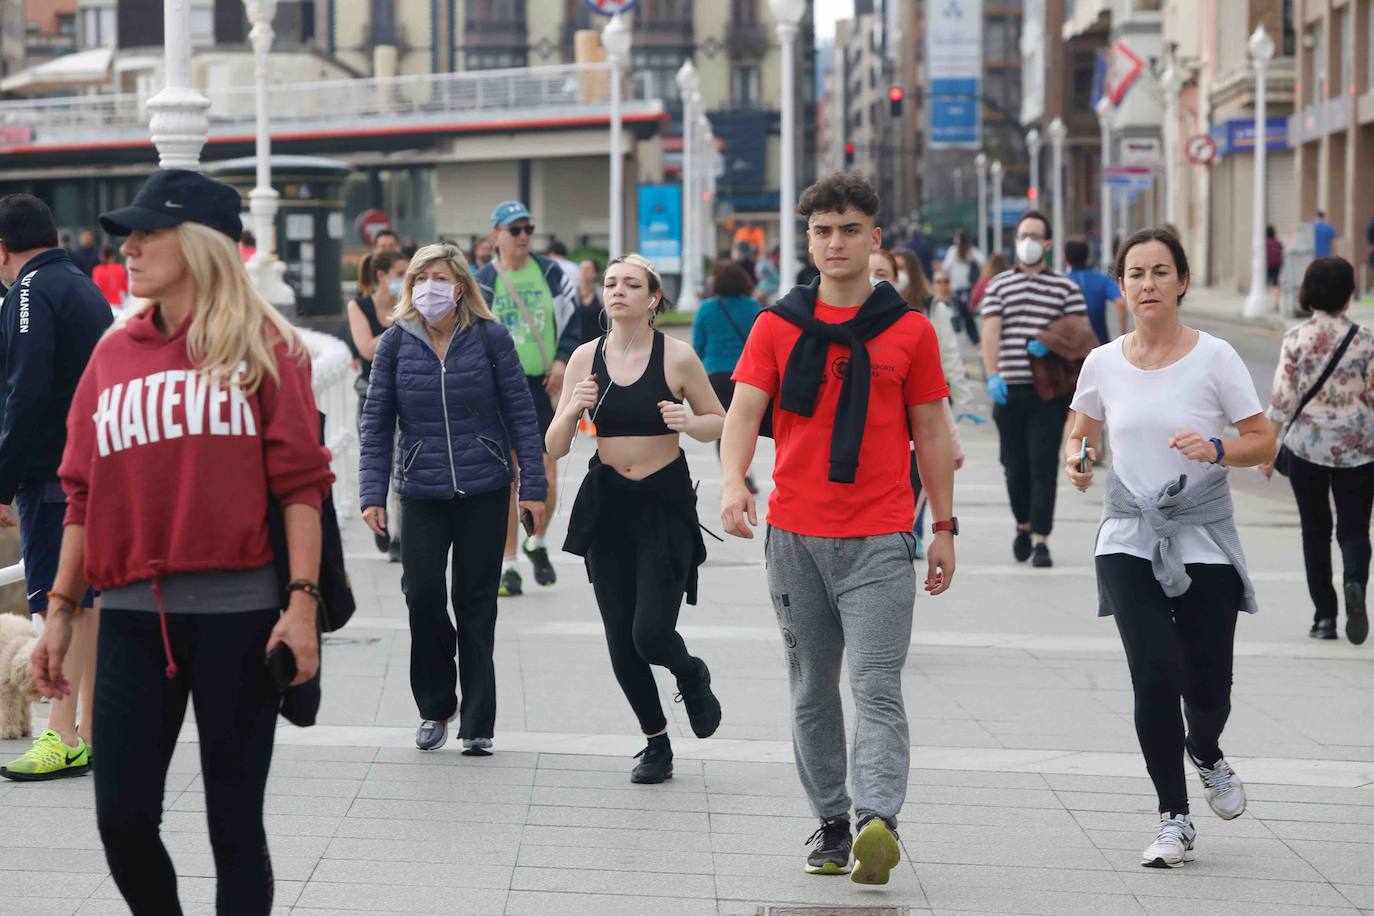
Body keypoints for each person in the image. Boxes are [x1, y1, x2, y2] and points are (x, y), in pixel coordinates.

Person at [32, 168, 333, 912]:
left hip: (243, 613)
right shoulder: (113, 354)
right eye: (126, 235)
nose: (127, 248)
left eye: (146, 232)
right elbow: (82, 492)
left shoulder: (268, 349)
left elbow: (302, 485)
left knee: (233, 824)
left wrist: (302, 606)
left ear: (198, 246)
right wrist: (62, 610)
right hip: (132, 614)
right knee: (123, 819)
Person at [720, 172, 957, 885]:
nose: (835, 242)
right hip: (792, 535)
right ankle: (831, 820)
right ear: (808, 239)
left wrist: (943, 525)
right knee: (811, 688)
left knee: (877, 684)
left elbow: (932, 434)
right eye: (822, 230)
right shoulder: (776, 325)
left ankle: (876, 818)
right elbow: (743, 414)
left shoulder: (909, 333)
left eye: (850, 229)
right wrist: (733, 480)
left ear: (874, 238)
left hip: (882, 538)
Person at [1065, 227, 1273, 869]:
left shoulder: (1216, 357)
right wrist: (1078, 459)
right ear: (1121, 284)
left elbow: (1262, 442)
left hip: (1203, 535)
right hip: (1128, 536)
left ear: (1181, 281)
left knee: (1209, 685)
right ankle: (1173, 817)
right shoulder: (1102, 361)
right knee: (1156, 672)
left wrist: (1215, 449)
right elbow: (1082, 428)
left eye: (1160, 272)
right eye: (1136, 273)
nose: (1147, 284)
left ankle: (1205, 750)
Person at [361, 243, 546, 755]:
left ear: (459, 286)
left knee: (475, 601)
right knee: (422, 595)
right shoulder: (395, 344)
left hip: (484, 488)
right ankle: (436, 705)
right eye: (420, 278)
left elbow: (522, 417)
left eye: (438, 277)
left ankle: (479, 720)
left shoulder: (489, 338)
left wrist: (534, 487)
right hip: (420, 491)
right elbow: (376, 423)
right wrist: (371, 493)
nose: (428, 287)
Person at [548, 253, 726, 784]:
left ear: (652, 298)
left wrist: (688, 422)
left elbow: (718, 421)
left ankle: (691, 673)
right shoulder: (584, 358)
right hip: (608, 506)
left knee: (650, 632)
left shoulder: (678, 358)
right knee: (620, 639)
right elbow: (554, 447)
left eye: (631, 284)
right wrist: (571, 409)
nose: (618, 290)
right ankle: (655, 743)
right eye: (610, 283)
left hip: (664, 506)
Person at [0, 195, 112, 782]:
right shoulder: (81, 285)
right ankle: (86, 733)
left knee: (55, 604)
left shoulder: (28, 292)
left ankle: (59, 735)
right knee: (85, 603)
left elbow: (26, 391)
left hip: (53, 473)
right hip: (94, 466)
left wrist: (3, 479)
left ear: (2, 249)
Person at [1260, 256, 1374, 643]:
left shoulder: (1295, 339)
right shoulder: (1366, 340)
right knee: (1355, 529)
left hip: (1306, 446)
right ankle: (1355, 583)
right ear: (1349, 296)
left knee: (1315, 531)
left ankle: (1325, 616)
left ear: (1308, 293)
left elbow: (1281, 399)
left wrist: (1265, 448)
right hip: (1358, 447)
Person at [475, 200, 581, 597]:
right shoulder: (483, 280)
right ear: (495, 236)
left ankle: (536, 541)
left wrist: (562, 358)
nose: (523, 237)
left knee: (546, 470)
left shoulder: (552, 273)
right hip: (498, 390)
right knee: (507, 478)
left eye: (528, 229)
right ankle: (508, 564)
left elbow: (573, 319)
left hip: (542, 387)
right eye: (514, 230)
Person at [981, 210, 1088, 569]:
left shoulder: (1065, 287)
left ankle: (1042, 537)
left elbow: (1081, 332)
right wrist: (991, 374)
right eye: (1023, 234)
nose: (1028, 241)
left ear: (1048, 243)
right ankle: (1022, 524)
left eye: (1035, 235)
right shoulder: (999, 286)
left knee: (1043, 463)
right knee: (1014, 465)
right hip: (1009, 390)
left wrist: (1054, 342)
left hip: (1048, 391)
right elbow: (990, 332)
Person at [874, 248, 967, 562]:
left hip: (925, 402)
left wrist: (961, 398)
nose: (877, 279)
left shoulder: (927, 308)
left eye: (888, 272)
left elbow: (949, 352)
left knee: (918, 475)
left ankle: (909, 530)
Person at [693, 260, 762, 493]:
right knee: (746, 426)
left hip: (716, 375)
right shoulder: (753, 306)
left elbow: (698, 346)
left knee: (724, 428)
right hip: (747, 375)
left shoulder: (706, 308)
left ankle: (731, 477)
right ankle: (746, 474)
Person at [1065, 237, 1126, 345]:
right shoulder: (1102, 279)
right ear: (1088, 256)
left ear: (1065, 259)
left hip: (1071, 348)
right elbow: (1120, 303)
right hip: (1100, 345)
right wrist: (1123, 335)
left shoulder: (1063, 283)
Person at [941, 229, 984, 345]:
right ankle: (976, 341)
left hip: (959, 290)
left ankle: (964, 341)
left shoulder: (955, 251)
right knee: (967, 317)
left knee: (960, 317)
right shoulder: (970, 252)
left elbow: (945, 267)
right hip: (965, 290)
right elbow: (982, 262)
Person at [968, 251, 1010, 320]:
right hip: (1006, 313)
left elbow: (975, 296)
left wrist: (972, 307)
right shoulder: (1008, 279)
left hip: (988, 313)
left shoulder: (985, 279)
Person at [575, 257, 604, 345]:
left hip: (599, 344)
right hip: (576, 346)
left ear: (595, 273)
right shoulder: (572, 294)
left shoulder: (601, 294)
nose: (583, 272)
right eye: (581, 269)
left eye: (588, 269)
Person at [91, 244, 129, 310]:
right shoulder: (120, 268)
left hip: (104, 305)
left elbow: (96, 289)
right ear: (113, 256)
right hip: (119, 305)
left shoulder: (97, 270)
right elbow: (126, 288)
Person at [1266, 225, 1284, 294]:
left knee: (1267, 281)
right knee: (1276, 282)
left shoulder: (1266, 243)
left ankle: (1267, 296)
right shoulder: (1277, 242)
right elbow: (1282, 249)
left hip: (1269, 264)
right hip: (1277, 264)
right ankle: (1277, 301)